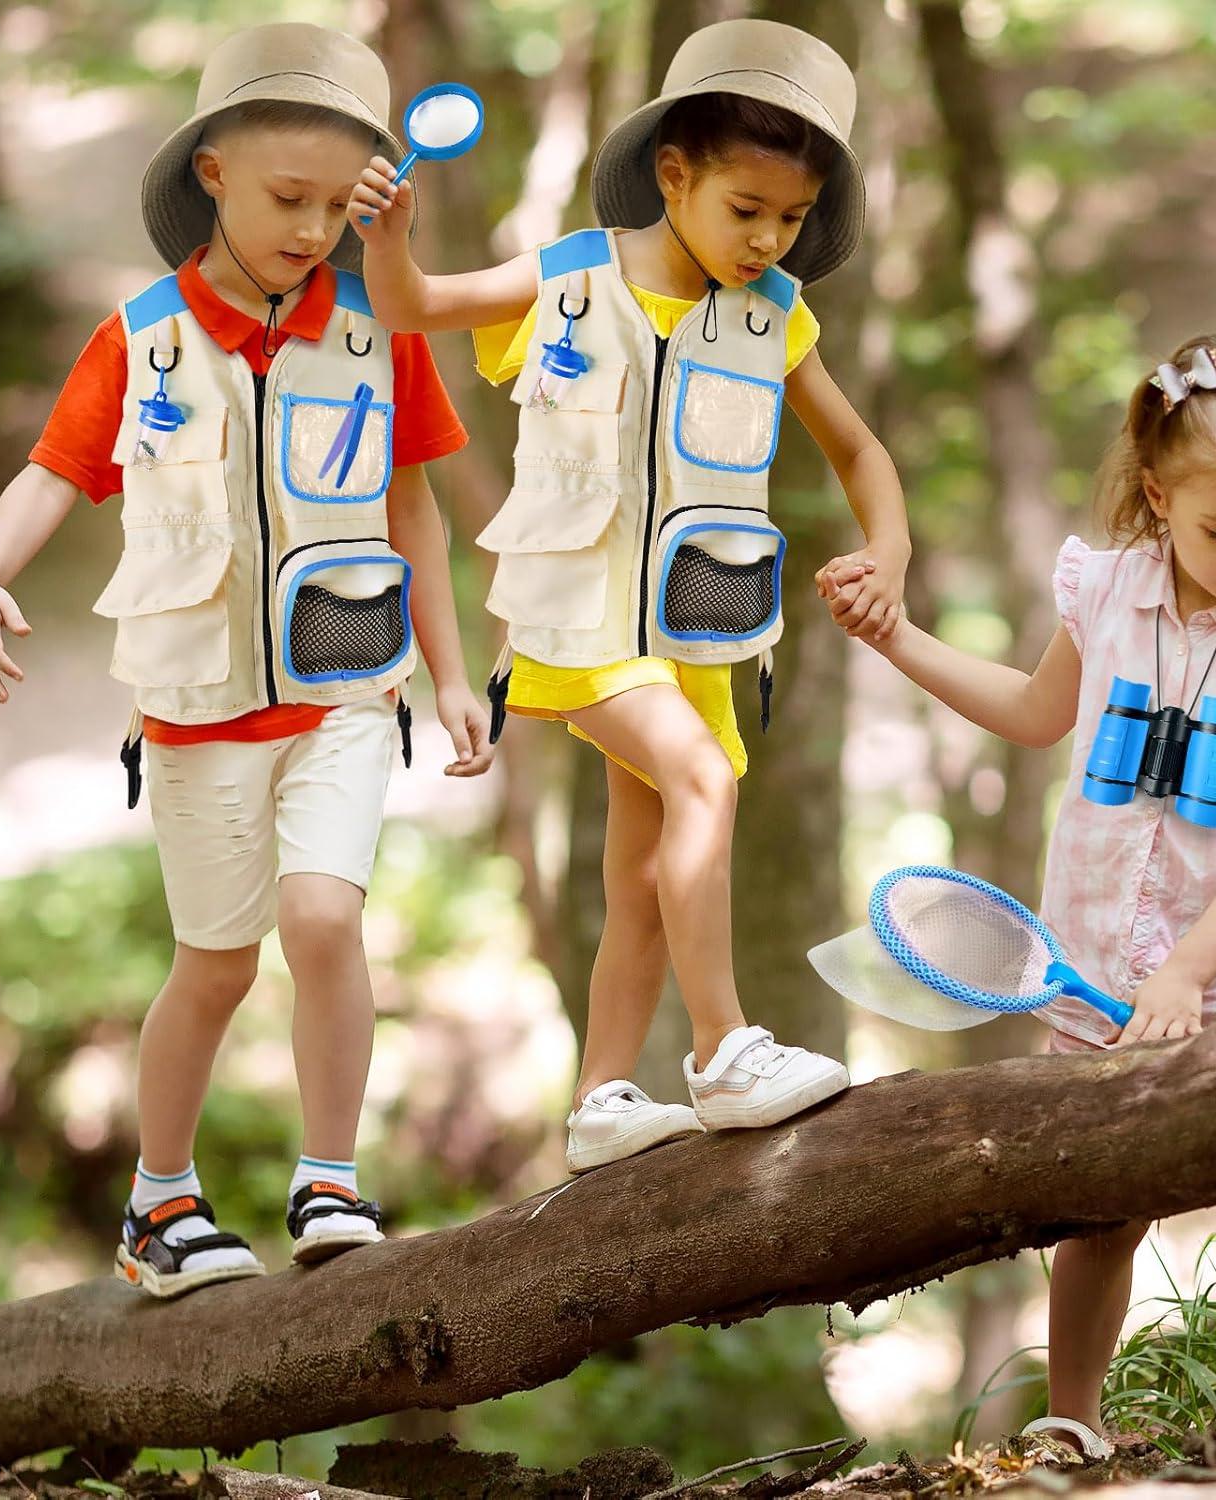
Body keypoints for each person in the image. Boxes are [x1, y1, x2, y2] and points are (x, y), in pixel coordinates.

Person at [0, 23, 493, 1296]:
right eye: (283, 199)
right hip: (196, 711)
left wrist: (455, 671)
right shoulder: (141, 337)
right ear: (211, 174)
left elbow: (414, 506)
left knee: (324, 918)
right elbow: (57, 470)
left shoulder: (378, 324)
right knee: (215, 963)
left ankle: (330, 1178)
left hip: (349, 692)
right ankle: (160, 1200)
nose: (310, 229)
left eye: (331, 203)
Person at [350, 19, 911, 1172]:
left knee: (643, 881)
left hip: (695, 631)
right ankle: (722, 1051)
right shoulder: (569, 276)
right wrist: (388, 238)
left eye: (791, 219)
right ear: (674, 175)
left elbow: (858, 452)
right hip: (577, 622)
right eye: (744, 209)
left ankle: (602, 1100)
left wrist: (889, 549)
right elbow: (411, 306)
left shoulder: (776, 318)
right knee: (702, 781)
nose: (767, 239)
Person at [821, 337, 1216, 1457]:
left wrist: (1192, 971)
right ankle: (1071, 1423)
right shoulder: (1108, 590)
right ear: (1158, 493)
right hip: (1100, 959)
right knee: (1101, 1205)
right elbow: (1036, 714)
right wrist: (901, 639)